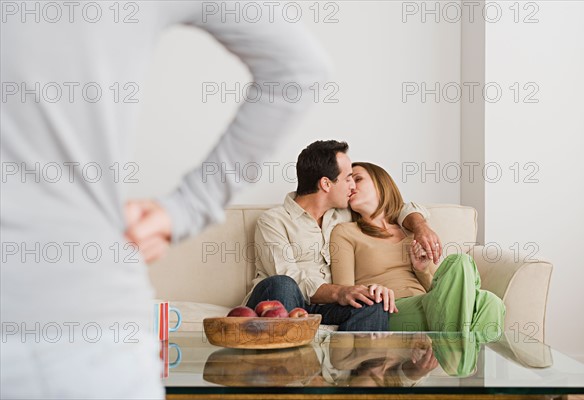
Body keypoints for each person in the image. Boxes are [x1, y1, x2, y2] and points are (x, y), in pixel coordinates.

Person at [1, 3, 331, 398]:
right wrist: (187, 206)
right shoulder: (280, 219)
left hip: (69, 325)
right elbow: (298, 71)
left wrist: (188, 206)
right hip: (75, 329)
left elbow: (297, 72)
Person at [243, 141, 442, 331]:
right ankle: (284, 364)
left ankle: (356, 365)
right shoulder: (273, 221)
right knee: (283, 284)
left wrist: (420, 225)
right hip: (282, 301)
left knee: (373, 303)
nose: (352, 186)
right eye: (348, 178)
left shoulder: (344, 215)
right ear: (326, 184)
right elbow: (289, 275)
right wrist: (340, 291)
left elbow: (392, 209)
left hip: (325, 306)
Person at [330, 162, 505, 339]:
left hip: (432, 303)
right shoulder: (345, 231)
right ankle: (458, 357)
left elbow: (438, 289)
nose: (352, 185)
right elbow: (345, 291)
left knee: (470, 274)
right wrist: (372, 290)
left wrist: (421, 270)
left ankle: (453, 357)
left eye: (358, 179)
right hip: (391, 309)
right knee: (486, 305)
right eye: (348, 181)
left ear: (381, 184)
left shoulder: (410, 231)